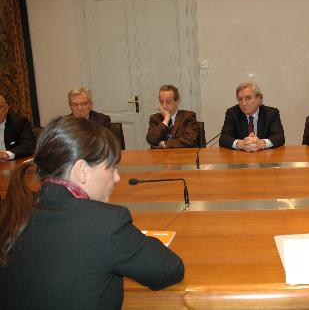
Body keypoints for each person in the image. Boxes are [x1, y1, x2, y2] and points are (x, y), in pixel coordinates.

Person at [0, 116, 184, 310]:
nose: (117, 177)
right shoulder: (107, 223)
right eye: (111, 167)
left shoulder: (10, 210)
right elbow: (170, 269)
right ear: (82, 170)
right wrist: (135, 239)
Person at [219, 81, 285, 151]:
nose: (243, 103)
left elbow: (279, 137)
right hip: (240, 158)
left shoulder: (271, 113)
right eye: (240, 99)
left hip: (265, 158)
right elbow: (224, 138)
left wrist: (261, 144)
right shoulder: (232, 113)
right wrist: (241, 144)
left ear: (259, 99)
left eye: (248, 98)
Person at [0, 94, 36, 160]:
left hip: (11, 165)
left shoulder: (19, 122)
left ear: (6, 108)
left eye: (0, 107)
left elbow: (29, 145)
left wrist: (7, 154)